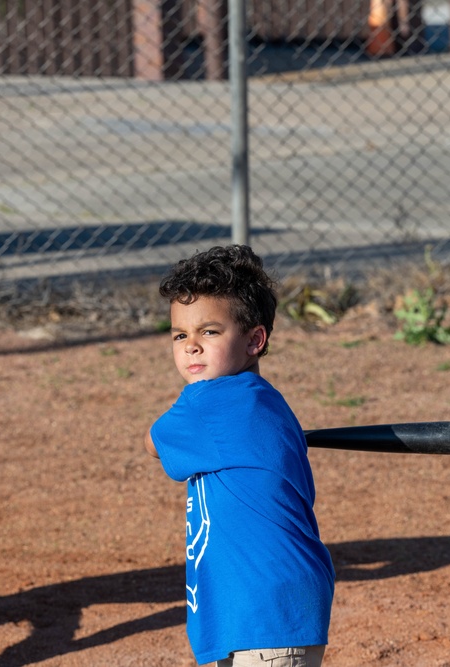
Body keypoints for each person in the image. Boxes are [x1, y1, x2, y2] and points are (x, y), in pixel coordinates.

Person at [144, 245, 335, 667]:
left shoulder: (209, 402)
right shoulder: (263, 400)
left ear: (254, 339)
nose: (191, 346)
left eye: (209, 332)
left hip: (263, 612)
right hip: (271, 606)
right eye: (180, 335)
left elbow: (153, 443)